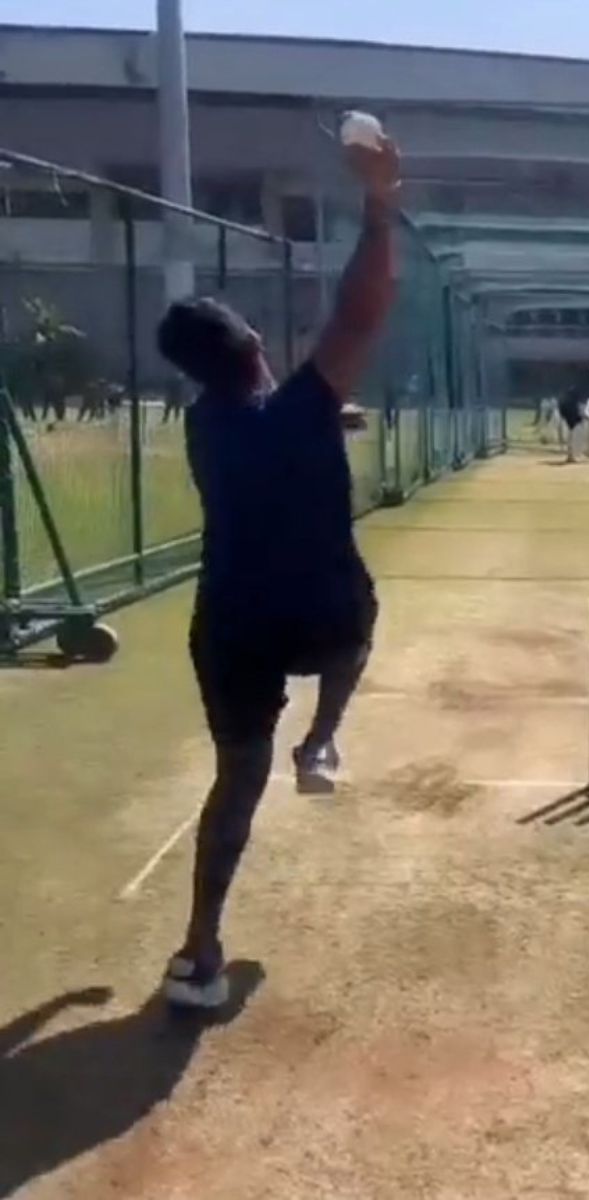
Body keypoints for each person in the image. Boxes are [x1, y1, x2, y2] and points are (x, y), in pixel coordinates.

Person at [155, 125, 401, 1009]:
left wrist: (323, 421)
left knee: (236, 778)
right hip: (320, 612)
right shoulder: (298, 402)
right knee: (362, 621)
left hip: (230, 624)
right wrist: (380, 202)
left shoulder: (206, 422)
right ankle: (325, 737)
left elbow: (259, 417)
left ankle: (199, 955)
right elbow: (361, 313)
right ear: (255, 341)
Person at [558, 368, 589, 463]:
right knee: (577, 429)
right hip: (569, 407)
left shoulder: (579, 386)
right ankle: (574, 454)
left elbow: (581, 405)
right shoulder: (586, 389)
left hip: (566, 406)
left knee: (574, 430)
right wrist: (587, 416)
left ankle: (572, 454)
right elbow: (583, 405)